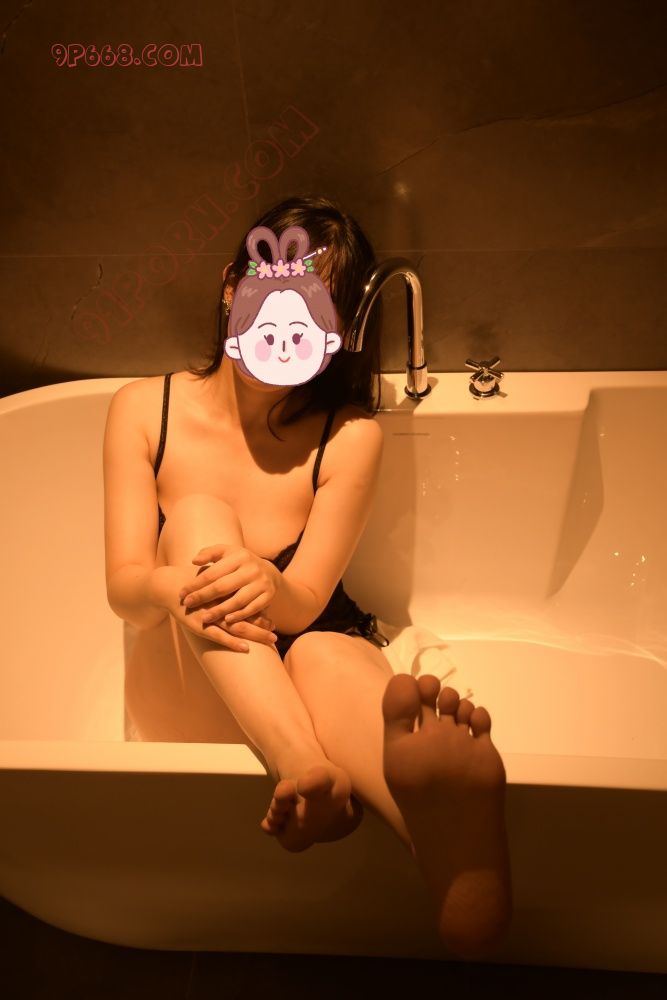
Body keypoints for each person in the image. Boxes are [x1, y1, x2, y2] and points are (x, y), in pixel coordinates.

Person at [103, 195, 512, 959]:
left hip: (303, 635)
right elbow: (127, 594)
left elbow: (306, 603)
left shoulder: (348, 436)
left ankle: (439, 848)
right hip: (192, 668)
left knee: (327, 651)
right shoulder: (142, 409)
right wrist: (174, 585)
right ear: (232, 287)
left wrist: (270, 583)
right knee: (196, 518)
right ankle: (306, 767)